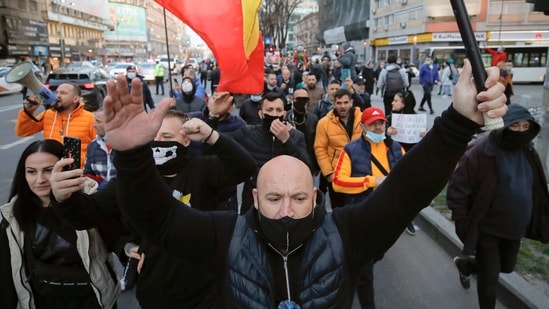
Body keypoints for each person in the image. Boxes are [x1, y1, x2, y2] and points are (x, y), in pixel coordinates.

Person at [99, 61, 506, 308]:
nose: (287, 209)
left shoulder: (347, 235)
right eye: (274, 198)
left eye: (298, 197)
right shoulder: (224, 236)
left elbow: (404, 193)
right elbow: (160, 221)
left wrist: (457, 122)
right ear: (255, 198)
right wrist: (133, 155)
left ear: (316, 198)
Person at [50, 104, 256, 308]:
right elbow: (87, 214)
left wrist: (211, 136)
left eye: (167, 137)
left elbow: (245, 167)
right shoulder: (133, 180)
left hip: (206, 290)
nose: (158, 143)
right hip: (156, 291)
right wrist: (64, 197)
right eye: (153, 138)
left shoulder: (203, 168)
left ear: (186, 140)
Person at [447, 104, 547, 309]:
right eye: (515, 126)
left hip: (515, 228)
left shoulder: (528, 150)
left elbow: (537, 185)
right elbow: (457, 188)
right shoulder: (481, 151)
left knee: (506, 267)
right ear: (503, 125)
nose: (520, 131)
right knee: (489, 279)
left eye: (525, 126)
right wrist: (462, 220)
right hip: (487, 229)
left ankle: (465, 265)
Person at [0, 140, 119, 309]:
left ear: (65, 168)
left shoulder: (89, 203)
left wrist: (128, 248)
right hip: (44, 301)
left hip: (93, 300)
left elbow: (117, 237)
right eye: (31, 172)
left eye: (49, 170)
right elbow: (5, 278)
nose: (39, 180)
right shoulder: (13, 216)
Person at [332, 107, 405, 308]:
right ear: (363, 126)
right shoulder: (351, 150)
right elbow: (338, 182)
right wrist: (372, 181)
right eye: (373, 123)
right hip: (362, 215)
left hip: (388, 216)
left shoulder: (396, 148)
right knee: (365, 271)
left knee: (373, 256)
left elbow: (408, 175)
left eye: (381, 122)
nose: (378, 126)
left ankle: (350, 269)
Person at [231, 91, 312, 214]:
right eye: (270, 110)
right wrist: (213, 116)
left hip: (286, 203)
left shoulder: (296, 136)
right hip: (252, 202)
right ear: (261, 114)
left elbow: (307, 168)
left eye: (279, 110)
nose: (274, 114)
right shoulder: (248, 133)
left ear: (284, 113)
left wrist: (286, 140)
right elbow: (221, 145)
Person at [14, 83, 96, 169]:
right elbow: (23, 132)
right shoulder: (49, 114)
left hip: (76, 172)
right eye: (56, 92)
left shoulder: (90, 118)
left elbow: (100, 147)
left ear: (75, 99)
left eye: (63, 93)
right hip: (50, 170)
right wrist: (27, 112)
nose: (58, 96)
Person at [314, 88, 363, 209]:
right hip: (337, 174)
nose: (342, 106)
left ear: (351, 103)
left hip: (359, 172)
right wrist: (329, 173)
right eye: (339, 103)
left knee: (359, 208)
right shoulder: (324, 123)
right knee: (338, 208)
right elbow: (320, 149)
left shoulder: (363, 120)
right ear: (334, 103)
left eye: (346, 102)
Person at [284, 88, 320, 176]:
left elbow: (316, 143)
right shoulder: (286, 118)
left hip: (308, 162)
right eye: (299, 99)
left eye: (305, 99)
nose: (302, 102)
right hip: (290, 163)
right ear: (293, 100)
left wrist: (316, 166)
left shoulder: (313, 119)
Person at [83, 108, 116, 190]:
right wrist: (98, 183)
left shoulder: (127, 146)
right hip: (102, 198)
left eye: (98, 121)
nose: (94, 125)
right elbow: (88, 174)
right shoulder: (92, 146)